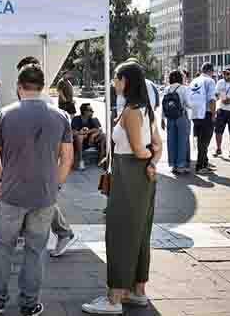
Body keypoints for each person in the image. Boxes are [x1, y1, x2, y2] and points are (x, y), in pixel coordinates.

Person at [0, 64, 74, 316]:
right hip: (44, 195)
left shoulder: (4, 115)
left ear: (19, 87)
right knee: (36, 249)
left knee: (2, 246)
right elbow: (67, 159)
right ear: (42, 87)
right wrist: (57, 185)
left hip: (11, 192)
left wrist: (1, 178)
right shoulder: (61, 117)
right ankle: (29, 303)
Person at [82, 61, 162, 315]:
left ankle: (115, 298)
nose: (113, 82)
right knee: (139, 233)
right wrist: (152, 163)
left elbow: (139, 149)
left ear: (125, 81)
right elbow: (157, 146)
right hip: (141, 176)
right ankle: (138, 291)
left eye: (116, 78)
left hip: (129, 175)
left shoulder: (130, 111)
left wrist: (145, 158)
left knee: (120, 233)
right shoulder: (145, 109)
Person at [14, 55, 77, 259]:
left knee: (44, 199)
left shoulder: (42, 101)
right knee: (41, 198)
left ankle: (64, 232)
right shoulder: (38, 100)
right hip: (36, 159)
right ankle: (53, 232)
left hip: (41, 159)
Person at [161, 70, 192, 174]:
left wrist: (162, 119)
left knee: (171, 141)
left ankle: (173, 165)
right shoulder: (184, 89)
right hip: (181, 117)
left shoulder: (167, 89)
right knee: (182, 141)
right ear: (180, 78)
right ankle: (181, 165)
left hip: (170, 118)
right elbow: (188, 104)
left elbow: (163, 106)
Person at [189, 63, 217, 174]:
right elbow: (211, 100)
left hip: (195, 114)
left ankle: (204, 162)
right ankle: (200, 166)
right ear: (211, 71)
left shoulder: (194, 81)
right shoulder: (210, 81)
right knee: (204, 141)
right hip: (206, 114)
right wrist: (214, 114)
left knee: (200, 140)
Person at [71, 103, 103, 170]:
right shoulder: (76, 119)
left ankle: (101, 158)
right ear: (85, 111)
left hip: (90, 141)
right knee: (80, 137)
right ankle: (80, 161)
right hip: (79, 142)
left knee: (104, 136)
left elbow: (99, 129)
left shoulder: (93, 119)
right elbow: (73, 132)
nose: (92, 112)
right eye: (91, 110)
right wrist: (81, 133)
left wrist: (92, 135)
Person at [214, 68, 230, 157]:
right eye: (224, 74)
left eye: (227, 74)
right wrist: (222, 98)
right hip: (221, 109)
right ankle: (218, 148)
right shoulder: (220, 82)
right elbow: (216, 93)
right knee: (218, 131)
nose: (225, 75)